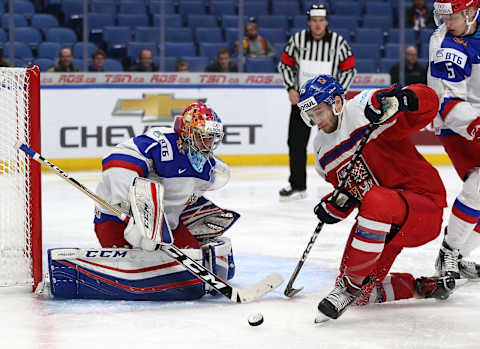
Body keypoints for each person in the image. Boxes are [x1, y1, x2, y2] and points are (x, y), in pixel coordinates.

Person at [297, 74, 455, 322]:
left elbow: (429, 103)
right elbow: (353, 193)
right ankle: (422, 287)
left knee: (377, 200)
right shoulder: (321, 152)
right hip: (386, 228)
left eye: (320, 112)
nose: (317, 121)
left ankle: (347, 287)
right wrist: (335, 206)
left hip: (423, 207)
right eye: (312, 115)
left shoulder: (364, 107)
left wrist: (405, 98)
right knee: (363, 295)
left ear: (337, 103)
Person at [93, 102, 239, 300]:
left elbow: (183, 198)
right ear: (186, 132)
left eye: (211, 138)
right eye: (202, 136)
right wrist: (133, 212)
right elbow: (115, 161)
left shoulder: (209, 169)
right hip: (117, 220)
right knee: (144, 264)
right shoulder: (163, 142)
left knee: (192, 269)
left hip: (166, 227)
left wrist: (192, 213)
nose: (207, 144)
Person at [277, 4, 356, 201]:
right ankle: (297, 186)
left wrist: (339, 93)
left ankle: (345, 187)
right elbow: (284, 64)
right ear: (309, 22)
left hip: (329, 104)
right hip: (303, 103)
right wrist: (290, 88)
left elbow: (349, 69)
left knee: (339, 143)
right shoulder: (298, 40)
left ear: (326, 21)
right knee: (295, 142)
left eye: (321, 20)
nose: (318, 24)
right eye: (314, 21)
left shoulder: (338, 42)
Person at [428, 0, 480, 280]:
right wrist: (476, 125)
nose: (447, 23)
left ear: (472, 13)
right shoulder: (447, 46)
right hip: (456, 123)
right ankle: (448, 253)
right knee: (479, 185)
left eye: (453, 17)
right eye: (444, 18)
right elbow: (448, 102)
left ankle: (457, 257)